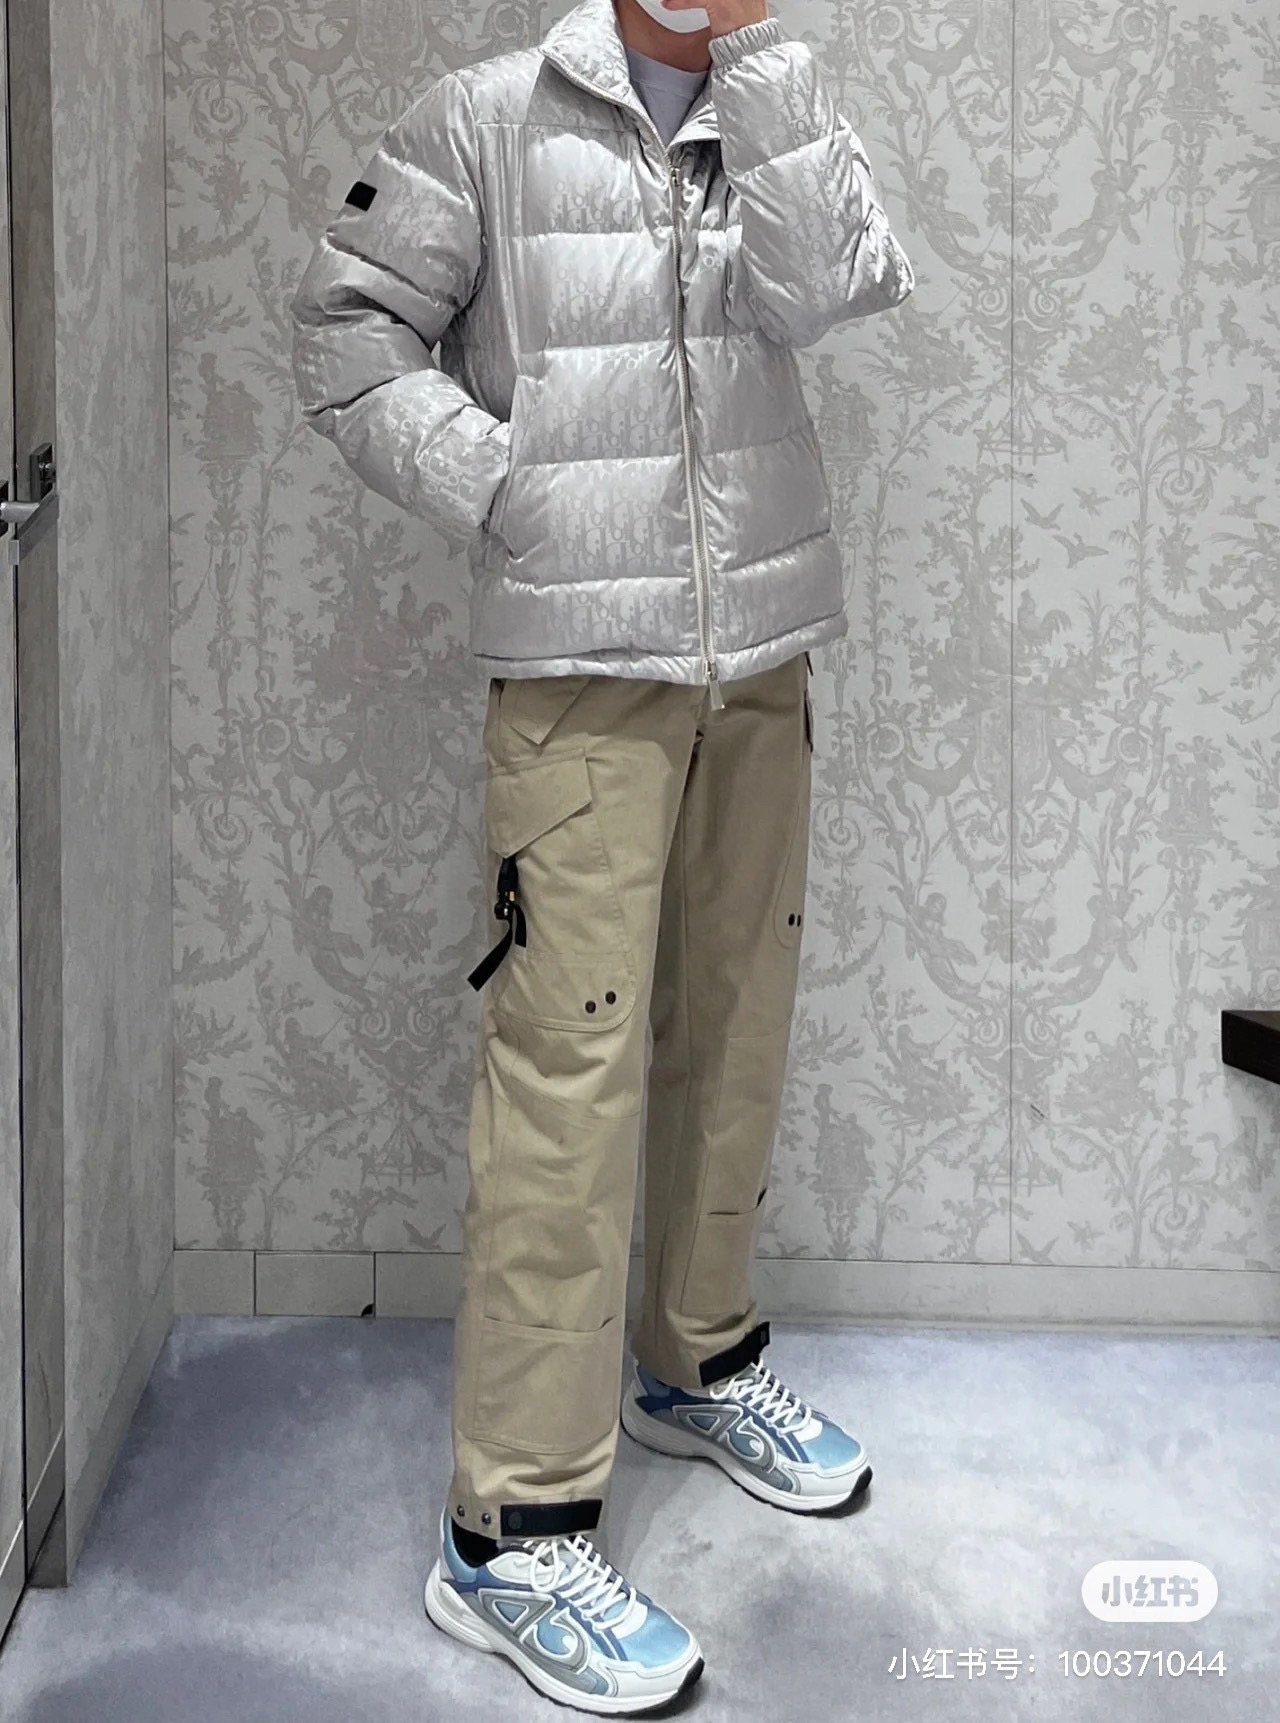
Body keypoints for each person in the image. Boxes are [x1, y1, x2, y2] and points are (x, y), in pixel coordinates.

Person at [289, 0, 914, 1710]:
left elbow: (835, 287)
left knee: (735, 1030)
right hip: (578, 680)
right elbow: (344, 327)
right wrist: (509, 484)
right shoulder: (490, 117)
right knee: (564, 1084)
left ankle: (694, 1362)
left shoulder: (770, 104)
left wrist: (764, 68)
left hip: (761, 658)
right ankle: (508, 1533)